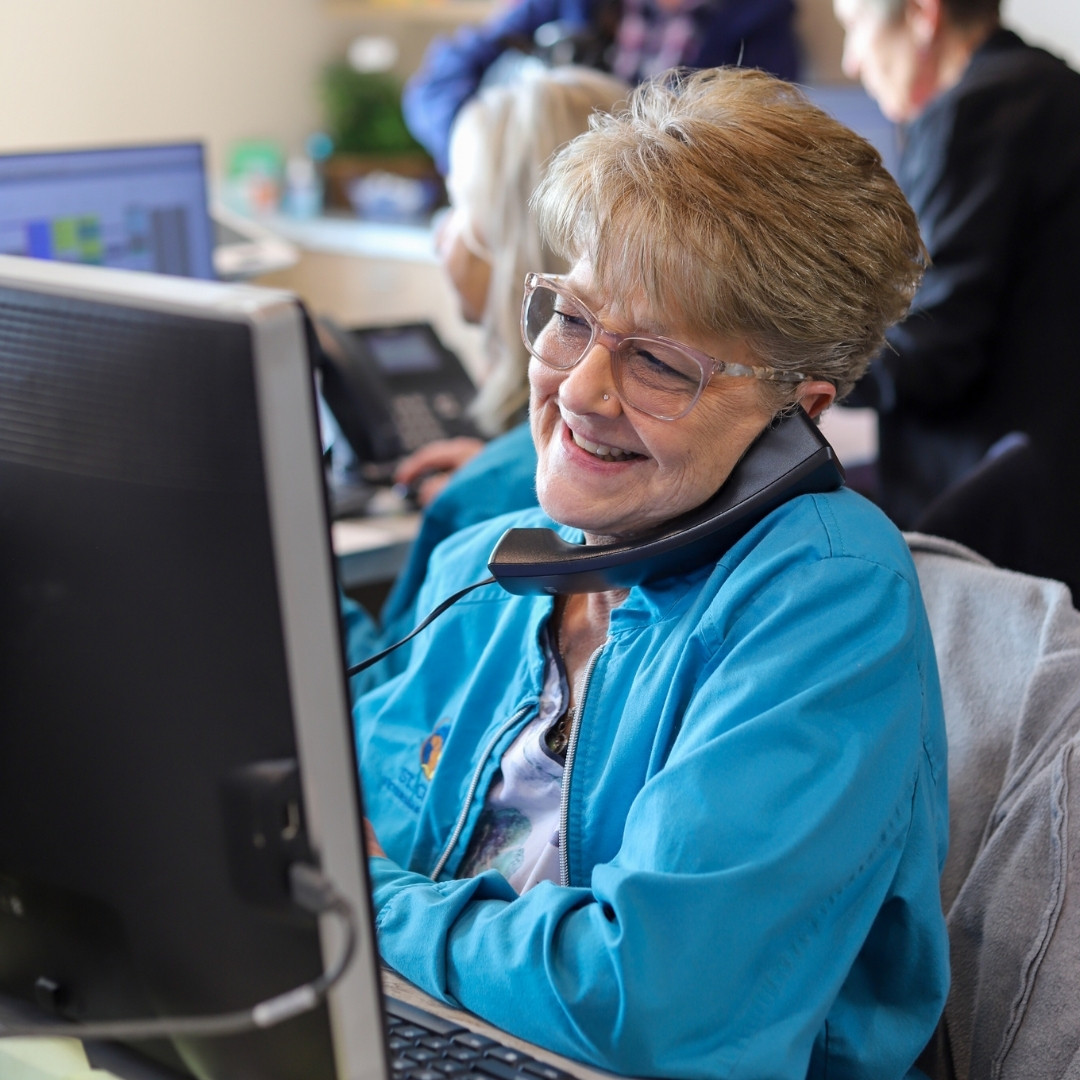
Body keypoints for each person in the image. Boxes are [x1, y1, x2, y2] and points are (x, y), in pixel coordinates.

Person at [355, 68, 949, 1078]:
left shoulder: (827, 598)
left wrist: (367, 907)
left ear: (795, 411)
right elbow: (340, 815)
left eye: (662, 363)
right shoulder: (489, 565)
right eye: (572, 320)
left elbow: (655, 1004)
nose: (581, 391)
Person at [342, 66, 629, 678]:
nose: (440, 235)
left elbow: (378, 698)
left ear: (509, 243)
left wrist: (278, 563)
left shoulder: (490, 499)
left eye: (456, 203)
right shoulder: (511, 472)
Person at [833, 0, 1080, 533]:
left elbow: (934, 352)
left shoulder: (975, 111)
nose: (852, 60)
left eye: (855, 26)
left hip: (996, 516)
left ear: (923, 15)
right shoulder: (1054, 87)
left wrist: (793, 363)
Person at [401, 0, 801, 174]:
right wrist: (479, 162)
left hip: (661, 235)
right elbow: (436, 86)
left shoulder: (761, 23)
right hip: (541, 206)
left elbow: (755, 154)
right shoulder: (568, 4)